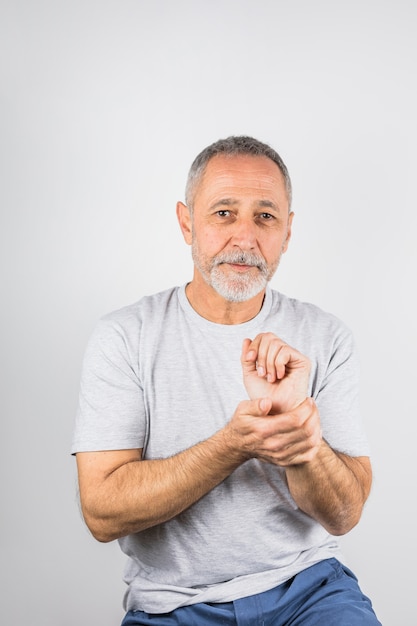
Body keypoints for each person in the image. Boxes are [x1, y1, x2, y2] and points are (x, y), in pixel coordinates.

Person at [72, 135, 381, 625]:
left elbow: (344, 515)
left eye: (265, 216)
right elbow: (102, 512)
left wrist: (300, 438)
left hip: (310, 593)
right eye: (223, 213)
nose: (245, 237)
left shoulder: (327, 337)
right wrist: (234, 444)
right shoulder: (124, 337)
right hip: (173, 607)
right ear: (185, 222)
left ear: (288, 231)